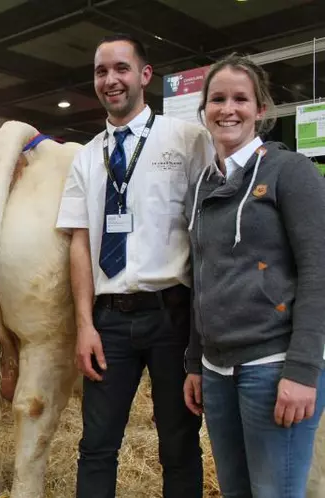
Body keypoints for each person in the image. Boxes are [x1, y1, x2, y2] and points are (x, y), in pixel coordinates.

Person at [56, 34, 214, 498]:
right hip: (109, 321)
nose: (111, 79)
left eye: (121, 68)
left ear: (145, 75)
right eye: (102, 71)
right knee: (97, 446)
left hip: (173, 315)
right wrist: (84, 325)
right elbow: (79, 246)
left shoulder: (188, 140)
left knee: (179, 446)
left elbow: (205, 233)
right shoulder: (86, 158)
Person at [182, 54, 325, 498]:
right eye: (217, 99)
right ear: (204, 109)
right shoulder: (200, 188)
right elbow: (201, 278)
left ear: (261, 109)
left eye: (240, 99)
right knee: (235, 490)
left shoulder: (290, 172)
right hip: (217, 370)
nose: (228, 109)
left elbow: (319, 272)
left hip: (273, 364)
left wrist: (303, 370)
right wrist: (194, 361)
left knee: (275, 492)